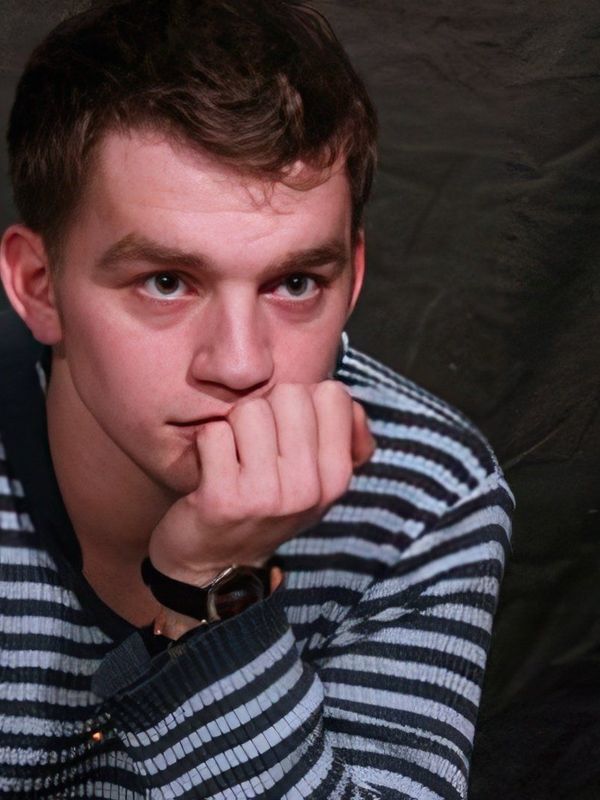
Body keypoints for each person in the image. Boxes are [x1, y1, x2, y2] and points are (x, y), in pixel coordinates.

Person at [0, 1, 514, 797]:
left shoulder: (425, 494)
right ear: (39, 287)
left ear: (353, 278)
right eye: (165, 282)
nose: (241, 365)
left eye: (296, 283)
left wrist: (212, 588)